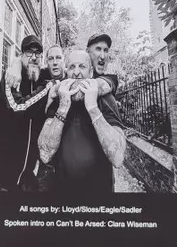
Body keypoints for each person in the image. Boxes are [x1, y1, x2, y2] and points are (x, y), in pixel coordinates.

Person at [38, 50, 126, 194]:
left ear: (91, 72)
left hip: (100, 195)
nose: (76, 73)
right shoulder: (59, 100)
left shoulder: (105, 99)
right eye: (72, 67)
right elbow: (45, 154)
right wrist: (63, 107)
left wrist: (93, 108)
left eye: (82, 66)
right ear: (66, 72)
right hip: (64, 195)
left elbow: (118, 158)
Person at [0, 35, 53, 192]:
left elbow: (61, 70)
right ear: (21, 54)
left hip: (24, 179)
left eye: (38, 53)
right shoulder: (11, 78)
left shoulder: (40, 78)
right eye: (29, 52)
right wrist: (48, 88)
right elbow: (17, 108)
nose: (34, 57)